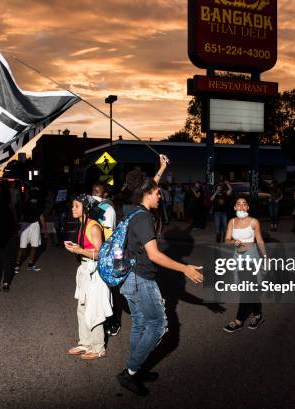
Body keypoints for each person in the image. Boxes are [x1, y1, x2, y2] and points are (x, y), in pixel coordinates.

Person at [116, 156, 203, 397]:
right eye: (158, 193)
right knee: (158, 325)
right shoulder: (143, 218)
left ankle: (136, 368)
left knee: (140, 324)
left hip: (129, 276)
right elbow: (154, 255)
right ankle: (131, 372)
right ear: (147, 195)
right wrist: (185, 269)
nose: (160, 196)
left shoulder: (132, 209)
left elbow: (149, 185)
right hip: (142, 278)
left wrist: (161, 168)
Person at [64, 194, 112, 361]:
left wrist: (80, 251)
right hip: (85, 270)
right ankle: (85, 343)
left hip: (95, 273)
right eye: (73, 206)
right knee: (82, 308)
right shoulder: (82, 224)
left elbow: (101, 254)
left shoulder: (93, 227)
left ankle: (98, 348)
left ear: (85, 209)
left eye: (76, 206)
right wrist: (78, 248)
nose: (73, 209)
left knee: (94, 310)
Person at [223, 196, 268, 332]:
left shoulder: (254, 222)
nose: (241, 206)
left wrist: (266, 258)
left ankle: (238, 321)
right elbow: (227, 240)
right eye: (239, 204)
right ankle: (257, 315)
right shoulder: (231, 222)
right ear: (235, 207)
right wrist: (233, 242)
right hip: (238, 257)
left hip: (251, 257)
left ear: (247, 207)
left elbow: (259, 240)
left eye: (244, 204)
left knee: (246, 289)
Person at [92, 182, 121, 337]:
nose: (95, 194)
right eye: (93, 191)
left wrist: (107, 257)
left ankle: (115, 322)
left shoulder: (108, 209)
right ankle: (105, 319)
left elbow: (109, 235)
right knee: (104, 290)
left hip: (109, 253)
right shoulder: (95, 206)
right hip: (99, 252)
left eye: (98, 192)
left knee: (112, 289)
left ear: (104, 195)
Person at [15, 187, 46, 273]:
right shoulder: (36, 203)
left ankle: (19, 265)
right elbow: (41, 216)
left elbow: (22, 214)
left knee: (24, 246)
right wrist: (45, 229)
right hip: (32, 225)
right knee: (32, 246)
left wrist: (18, 225)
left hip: (27, 224)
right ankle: (27, 265)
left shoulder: (26, 203)